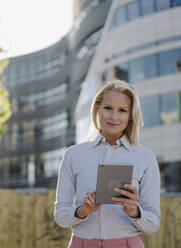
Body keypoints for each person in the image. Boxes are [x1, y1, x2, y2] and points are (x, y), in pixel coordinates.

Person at [54, 80, 160, 248]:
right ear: (98, 108)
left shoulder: (145, 158)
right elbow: (60, 215)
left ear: (131, 115)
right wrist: (82, 211)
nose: (114, 117)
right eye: (108, 108)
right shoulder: (73, 155)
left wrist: (134, 211)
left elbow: (153, 224)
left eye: (122, 110)